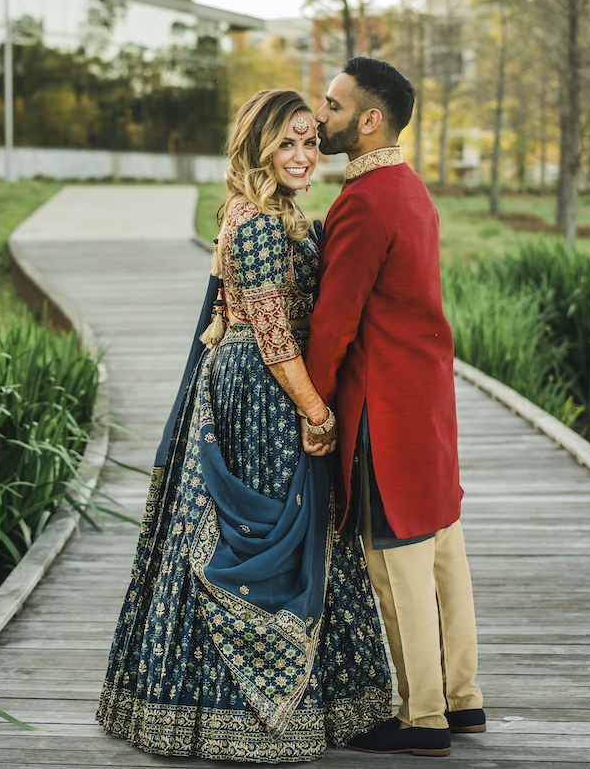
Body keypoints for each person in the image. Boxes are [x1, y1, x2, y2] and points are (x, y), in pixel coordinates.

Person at [97, 88, 392, 762]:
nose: (301, 154)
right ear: (258, 148)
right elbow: (274, 339)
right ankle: (258, 715)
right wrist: (318, 413)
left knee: (288, 529)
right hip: (264, 393)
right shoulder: (259, 224)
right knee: (277, 530)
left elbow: (227, 314)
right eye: (284, 142)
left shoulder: (256, 212)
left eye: (309, 140)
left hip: (246, 382)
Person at [303, 57, 485, 757]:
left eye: (333, 105)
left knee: (397, 567)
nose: (321, 117)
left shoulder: (366, 201)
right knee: (443, 555)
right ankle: (464, 700)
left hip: (384, 410)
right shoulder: (411, 189)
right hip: (429, 405)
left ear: (369, 119)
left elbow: (333, 325)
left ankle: (423, 719)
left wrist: (314, 410)